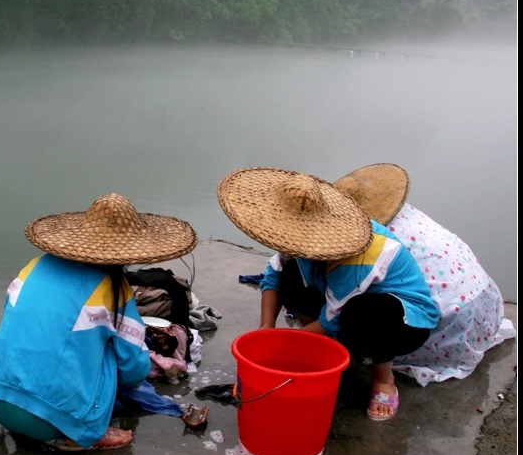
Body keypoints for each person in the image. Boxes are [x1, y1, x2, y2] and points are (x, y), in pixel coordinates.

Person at [0, 193, 198, 451]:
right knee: (109, 353)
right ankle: (80, 433)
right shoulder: (113, 288)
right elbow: (133, 369)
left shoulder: (33, 267)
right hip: (47, 420)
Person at [217, 167, 440, 421]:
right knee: (290, 274)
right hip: (341, 301)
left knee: (363, 313)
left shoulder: (358, 255)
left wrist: (276, 354)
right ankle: (325, 346)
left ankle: (383, 377)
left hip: (402, 318)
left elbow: (332, 318)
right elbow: (273, 275)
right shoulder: (294, 233)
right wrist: (265, 328)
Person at [333, 163, 516, 386]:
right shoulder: (409, 214)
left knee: (358, 312)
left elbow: (337, 307)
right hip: (484, 304)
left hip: (447, 326)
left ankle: (383, 378)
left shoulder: (370, 240)